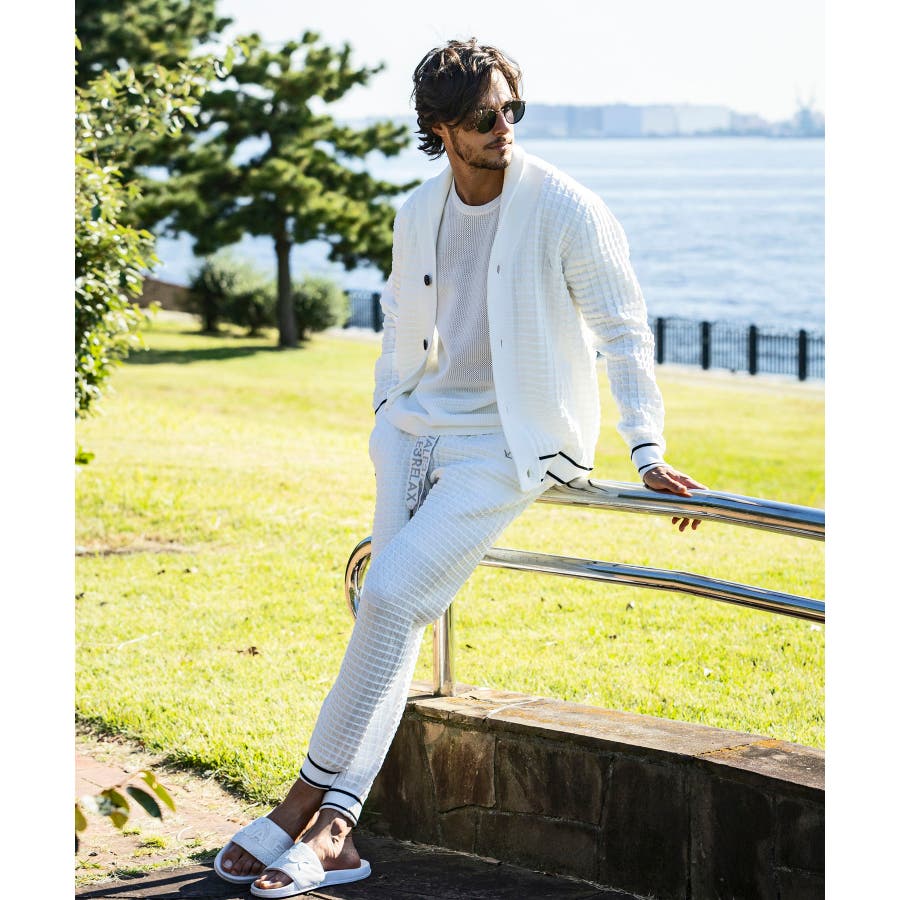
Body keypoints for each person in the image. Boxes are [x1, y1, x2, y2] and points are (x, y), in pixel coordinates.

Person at [214, 38, 706, 897]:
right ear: (442, 128)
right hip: (415, 429)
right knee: (394, 611)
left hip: (510, 444)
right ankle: (338, 832)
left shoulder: (566, 208)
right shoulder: (417, 211)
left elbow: (625, 332)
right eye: (484, 116)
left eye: (514, 109)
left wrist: (648, 447)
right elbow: (399, 322)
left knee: (388, 594)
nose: (504, 126)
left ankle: (303, 803)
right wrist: (386, 413)